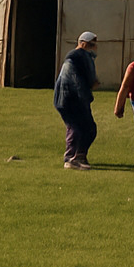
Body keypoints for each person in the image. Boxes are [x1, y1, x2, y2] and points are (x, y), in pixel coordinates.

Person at [54, 31, 99, 170]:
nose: (94, 48)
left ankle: (76, 156)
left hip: (75, 98)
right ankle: (73, 159)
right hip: (71, 99)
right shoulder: (75, 57)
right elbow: (73, 78)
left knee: (82, 128)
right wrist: (83, 94)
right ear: (83, 44)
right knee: (81, 128)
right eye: (91, 45)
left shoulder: (83, 57)